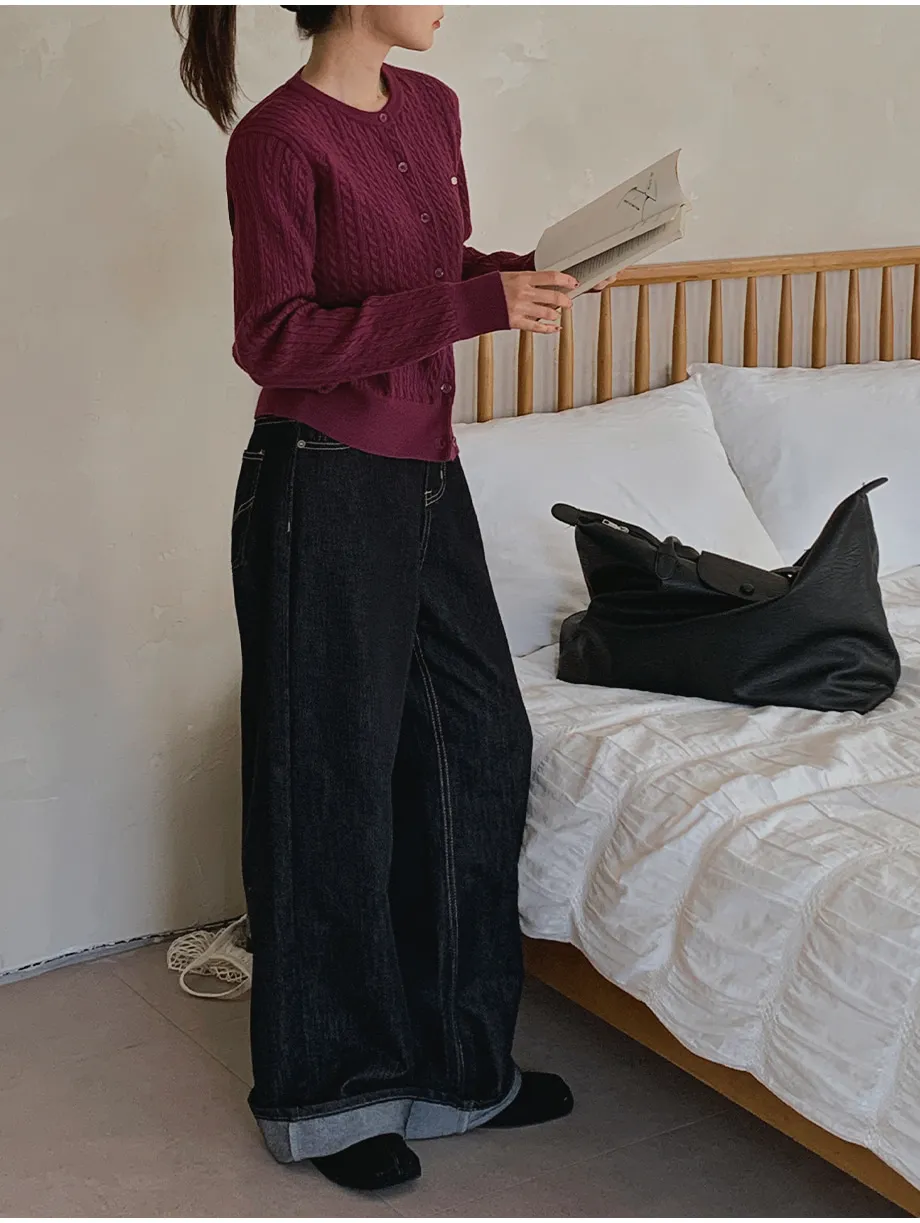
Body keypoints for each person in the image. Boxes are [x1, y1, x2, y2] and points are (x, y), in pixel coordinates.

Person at [171, 4, 588, 1193]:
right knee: (330, 780)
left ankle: (459, 1066)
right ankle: (329, 1093)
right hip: (320, 482)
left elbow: (418, 272)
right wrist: (470, 307)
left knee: (476, 744)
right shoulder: (278, 138)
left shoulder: (430, 108)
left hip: (424, 473)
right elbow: (275, 339)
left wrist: (502, 278)